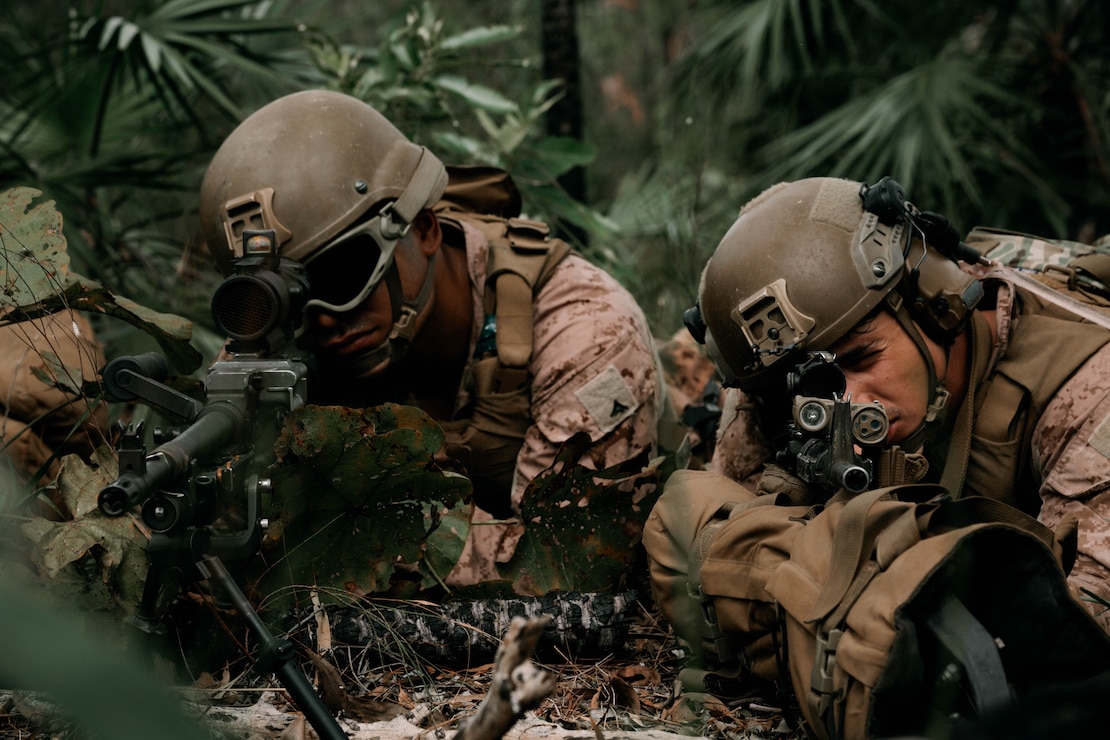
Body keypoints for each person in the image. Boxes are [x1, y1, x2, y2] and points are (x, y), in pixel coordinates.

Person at [198, 90, 667, 587]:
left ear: (423, 230)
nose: (322, 320)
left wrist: (351, 531)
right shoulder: (280, 347)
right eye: (285, 301)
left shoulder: (587, 334)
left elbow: (566, 561)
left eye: (340, 275)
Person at [653, 175, 1110, 632]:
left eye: (862, 358)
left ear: (931, 304)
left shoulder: (1084, 390)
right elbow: (710, 536)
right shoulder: (771, 385)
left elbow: (1079, 636)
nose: (849, 404)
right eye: (811, 385)